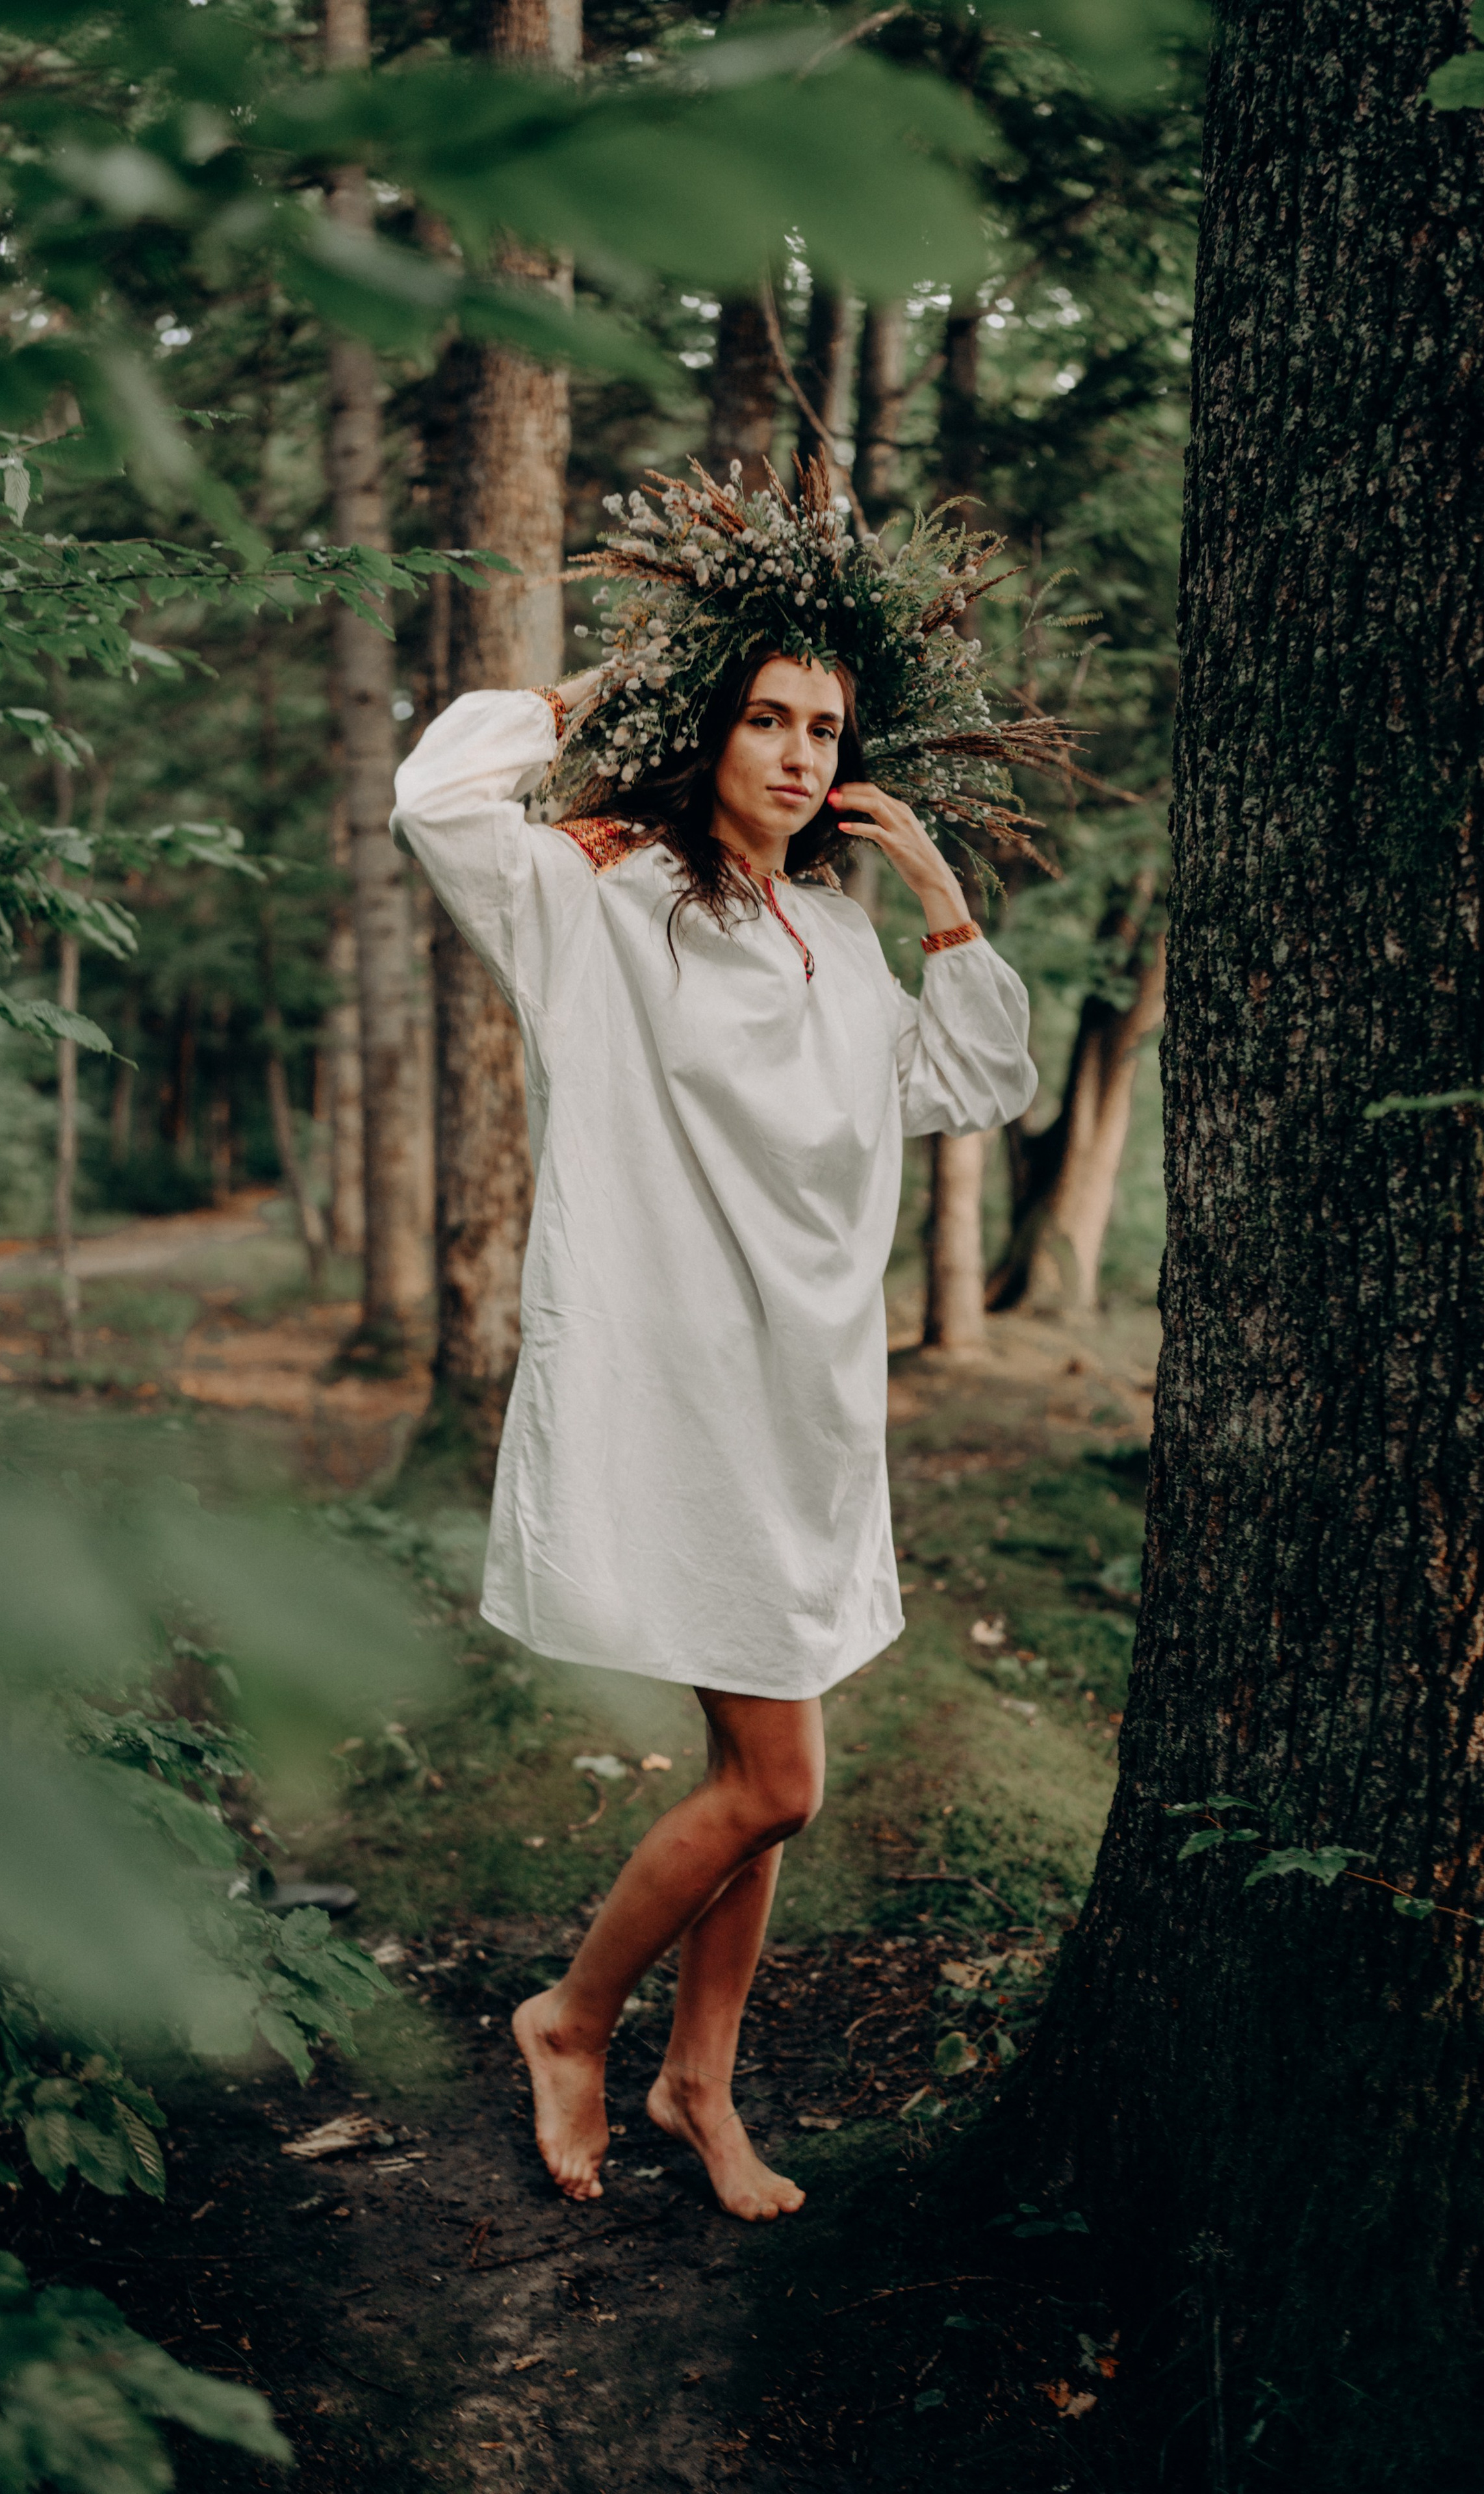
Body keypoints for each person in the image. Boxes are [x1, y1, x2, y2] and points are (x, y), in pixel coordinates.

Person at [391, 464, 1040, 2222]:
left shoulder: (831, 930)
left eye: (824, 727)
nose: (799, 753)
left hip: (809, 1412)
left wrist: (935, 893)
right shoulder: (610, 899)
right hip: (675, 1389)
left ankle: (699, 2081)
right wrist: (611, 691)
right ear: (715, 729)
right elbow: (439, 800)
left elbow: (978, 1078)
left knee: (754, 1781)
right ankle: (573, 2021)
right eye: (765, 717)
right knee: (780, 1777)